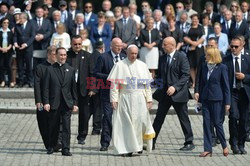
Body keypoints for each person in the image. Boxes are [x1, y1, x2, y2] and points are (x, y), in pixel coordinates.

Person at [107, 44, 155, 156]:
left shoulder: (142, 65)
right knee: (126, 124)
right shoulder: (119, 65)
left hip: (139, 98)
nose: (133, 55)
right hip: (125, 97)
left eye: (135, 53)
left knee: (140, 122)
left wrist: (149, 99)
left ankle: (138, 146)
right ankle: (127, 148)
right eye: (131, 53)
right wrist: (114, 99)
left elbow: (147, 85)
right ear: (127, 53)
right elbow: (114, 85)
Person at [152, 37, 195, 151]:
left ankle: (189, 142)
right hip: (165, 94)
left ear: (172, 45)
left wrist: (175, 87)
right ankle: (151, 141)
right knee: (158, 119)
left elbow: (185, 75)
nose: (162, 46)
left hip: (179, 94)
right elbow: (160, 76)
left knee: (183, 118)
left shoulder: (182, 57)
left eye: (165, 44)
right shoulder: (162, 58)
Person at [43, 47, 78, 156]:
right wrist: (46, 102)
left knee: (67, 127)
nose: (63, 57)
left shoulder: (71, 70)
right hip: (54, 102)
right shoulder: (49, 69)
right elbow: (46, 88)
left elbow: (73, 89)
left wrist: (75, 103)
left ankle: (66, 148)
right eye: (61, 55)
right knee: (53, 126)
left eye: (64, 55)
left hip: (67, 103)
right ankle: (51, 146)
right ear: (56, 56)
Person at [196, 47, 230, 157]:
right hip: (205, 99)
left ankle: (224, 145)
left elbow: (226, 86)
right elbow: (201, 83)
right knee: (206, 123)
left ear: (212, 56)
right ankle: (207, 149)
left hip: (217, 99)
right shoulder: (204, 67)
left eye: (207, 55)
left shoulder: (222, 68)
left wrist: (227, 102)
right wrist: (199, 97)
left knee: (217, 123)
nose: (205, 57)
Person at [94, 38, 126, 151]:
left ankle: (121, 142)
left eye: (120, 46)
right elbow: (96, 73)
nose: (119, 48)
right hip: (107, 93)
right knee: (107, 117)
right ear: (111, 46)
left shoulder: (124, 57)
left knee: (122, 118)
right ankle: (105, 143)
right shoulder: (103, 57)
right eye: (117, 46)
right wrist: (110, 77)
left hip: (122, 93)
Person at [223, 36, 250, 155]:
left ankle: (241, 144)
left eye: (236, 46)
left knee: (244, 120)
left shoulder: (248, 58)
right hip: (232, 93)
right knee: (233, 117)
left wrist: (245, 77)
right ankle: (233, 143)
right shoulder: (226, 60)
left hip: (245, 93)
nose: (233, 48)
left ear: (242, 47)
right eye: (232, 46)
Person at [66, 35, 94, 145]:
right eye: (75, 44)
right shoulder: (67, 55)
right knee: (66, 113)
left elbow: (92, 73)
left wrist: (92, 88)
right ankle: (64, 135)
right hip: (69, 89)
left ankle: (82, 136)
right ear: (71, 44)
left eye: (79, 44)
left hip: (83, 89)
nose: (77, 46)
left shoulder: (88, 56)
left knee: (84, 114)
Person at [34, 46, 57, 150]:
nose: (56, 57)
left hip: (56, 100)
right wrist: (38, 101)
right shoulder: (40, 67)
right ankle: (48, 144)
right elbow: (37, 85)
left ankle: (56, 144)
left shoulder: (59, 67)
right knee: (43, 124)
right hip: (43, 100)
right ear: (48, 55)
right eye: (54, 54)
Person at [13, 12, 35, 88]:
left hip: (28, 48)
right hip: (19, 48)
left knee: (29, 66)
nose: (19, 20)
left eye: (20, 18)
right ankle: (21, 81)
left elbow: (32, 36)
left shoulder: (31, 25)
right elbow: (15, 36)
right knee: (20, 65)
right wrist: (15, 43)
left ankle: (30, 81)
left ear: (25, 18)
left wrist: (26, 44)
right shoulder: (17, 26)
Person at [184, 14, 205, 88]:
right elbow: (185, 37)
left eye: (196, 19)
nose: (194, 20)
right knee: (191, 66)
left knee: (198, 65)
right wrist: (192, 43)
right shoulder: (188, 27)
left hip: (199, 49)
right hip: (190, 49)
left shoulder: (201, 27)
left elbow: (203, 37)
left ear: (198, 20)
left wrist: (196, 44)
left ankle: (198, 82)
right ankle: (194, 82)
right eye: (193, 19)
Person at [89, 41, 105, 135]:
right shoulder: (99, 56)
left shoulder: (92, 55)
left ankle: (96, 127)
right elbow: (93, 72)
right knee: (97, 108)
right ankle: (96, 128)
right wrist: (93, 88)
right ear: (102, 48)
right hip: (97, 85)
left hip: (94, 85)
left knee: (95, 108)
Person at [0, 18, 13, 88]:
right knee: (1, 66)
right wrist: (1, 48)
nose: (6, 24)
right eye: (4, 22)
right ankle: (2, 81)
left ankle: (10, 81)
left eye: (7, 23)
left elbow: (12, 42)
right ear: (1, 23)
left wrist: (8, 48)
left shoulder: (10, 32)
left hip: (8, 51)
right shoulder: (0, 31)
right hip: (0, 50)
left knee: (9, 66)